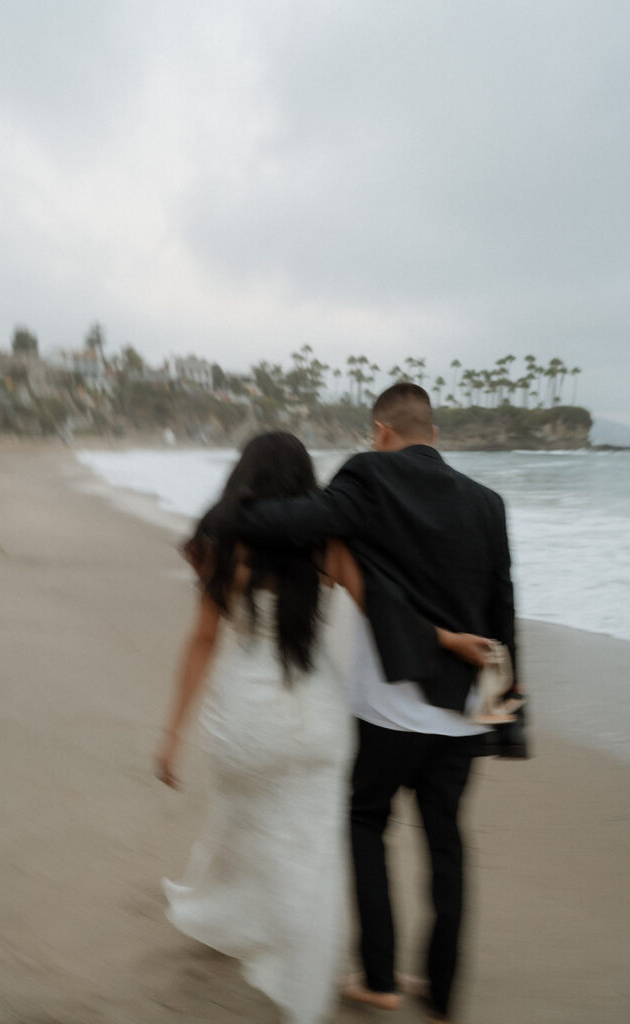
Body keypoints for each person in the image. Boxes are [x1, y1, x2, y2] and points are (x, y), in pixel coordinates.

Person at [155, 431, 492, 1024]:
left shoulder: (219, 541)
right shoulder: (326, 544)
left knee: (244, 822)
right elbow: (386, 609)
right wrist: (447, 639)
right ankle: (302, 969)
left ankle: (242, 926)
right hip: (317, 719)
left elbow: (204, 640)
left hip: (248, 719)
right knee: (310, 850)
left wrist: (172, 734)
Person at [237, 385, 520, 1023]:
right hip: (463, 714)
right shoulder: (488, 504)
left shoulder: (369, 476)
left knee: (365, 824)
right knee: (446, 842)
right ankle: (442, 992)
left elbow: (299, 521)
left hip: (385, 710)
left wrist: (237, 513)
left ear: (380, 431)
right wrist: (508, 718)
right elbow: (503, 609)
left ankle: (382, 976)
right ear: (435, 434)